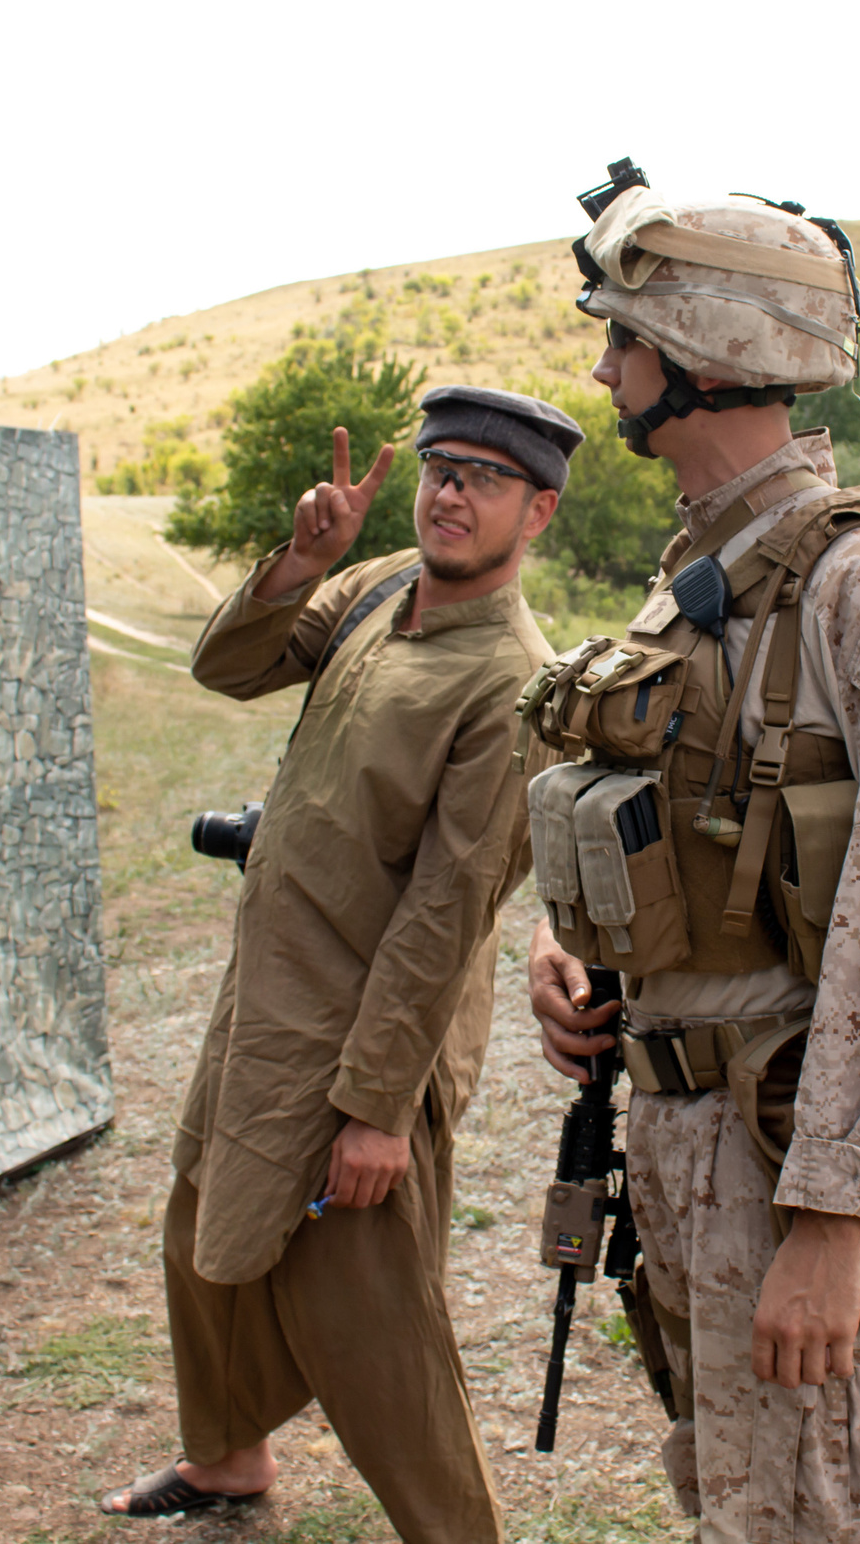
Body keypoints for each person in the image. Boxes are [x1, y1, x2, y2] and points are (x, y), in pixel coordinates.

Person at [527, 172, 860, 1542]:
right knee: (728, 1493)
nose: (605, 365)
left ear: (706, 356)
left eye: (625, 336)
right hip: (673, 1131)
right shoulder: (694, 585)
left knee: (818, 1510)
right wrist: (570, 957)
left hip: (782, 1145)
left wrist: (836, 1216)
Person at [102, 385, 582, 1543]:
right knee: (200, 1220)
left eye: (483, 478)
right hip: (265, 993)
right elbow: (232, 667)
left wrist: (374, 1108)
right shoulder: (373, 591)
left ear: (539, 515)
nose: (450, 492)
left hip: (366, 1030)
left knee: (368, 1313)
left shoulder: (512, 681)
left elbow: (448, 909)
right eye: (440, 467)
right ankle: (226, 1460)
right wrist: (297, 561)